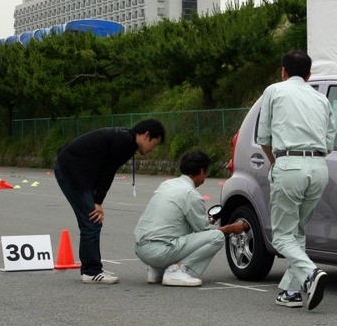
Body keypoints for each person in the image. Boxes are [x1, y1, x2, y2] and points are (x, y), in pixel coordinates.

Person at [256, 49, 336, 310]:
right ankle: (290, 291)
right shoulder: (321, 99)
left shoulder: (274, 91)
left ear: (283, 71)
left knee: (281, 236)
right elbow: (329, 142)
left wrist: (277, 162)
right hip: (319, 167)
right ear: (310, 74)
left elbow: (264, 138)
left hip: (289, 163)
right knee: (297, 230)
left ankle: (310, 273)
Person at [54, 119, 166, 284]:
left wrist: (96, 197)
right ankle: (91, 271)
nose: (152, 150)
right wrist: (98, 202)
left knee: (90, 220)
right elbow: (108, 172)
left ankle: (91, 268)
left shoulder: (125, 138)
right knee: (92, 219)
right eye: (154, 144)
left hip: (75, 169)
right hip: (71, 171)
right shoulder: (124, 142)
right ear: (146, 135)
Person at [134, 150, 248, 287]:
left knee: (177, 228)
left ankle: (156, 269)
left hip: (140, 248)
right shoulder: (191, 194)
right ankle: (177, 270)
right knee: (217, 237)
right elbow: (205, 231)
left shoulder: (167, 184)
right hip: (159, 252)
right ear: (201, 171)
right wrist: (230, 228)